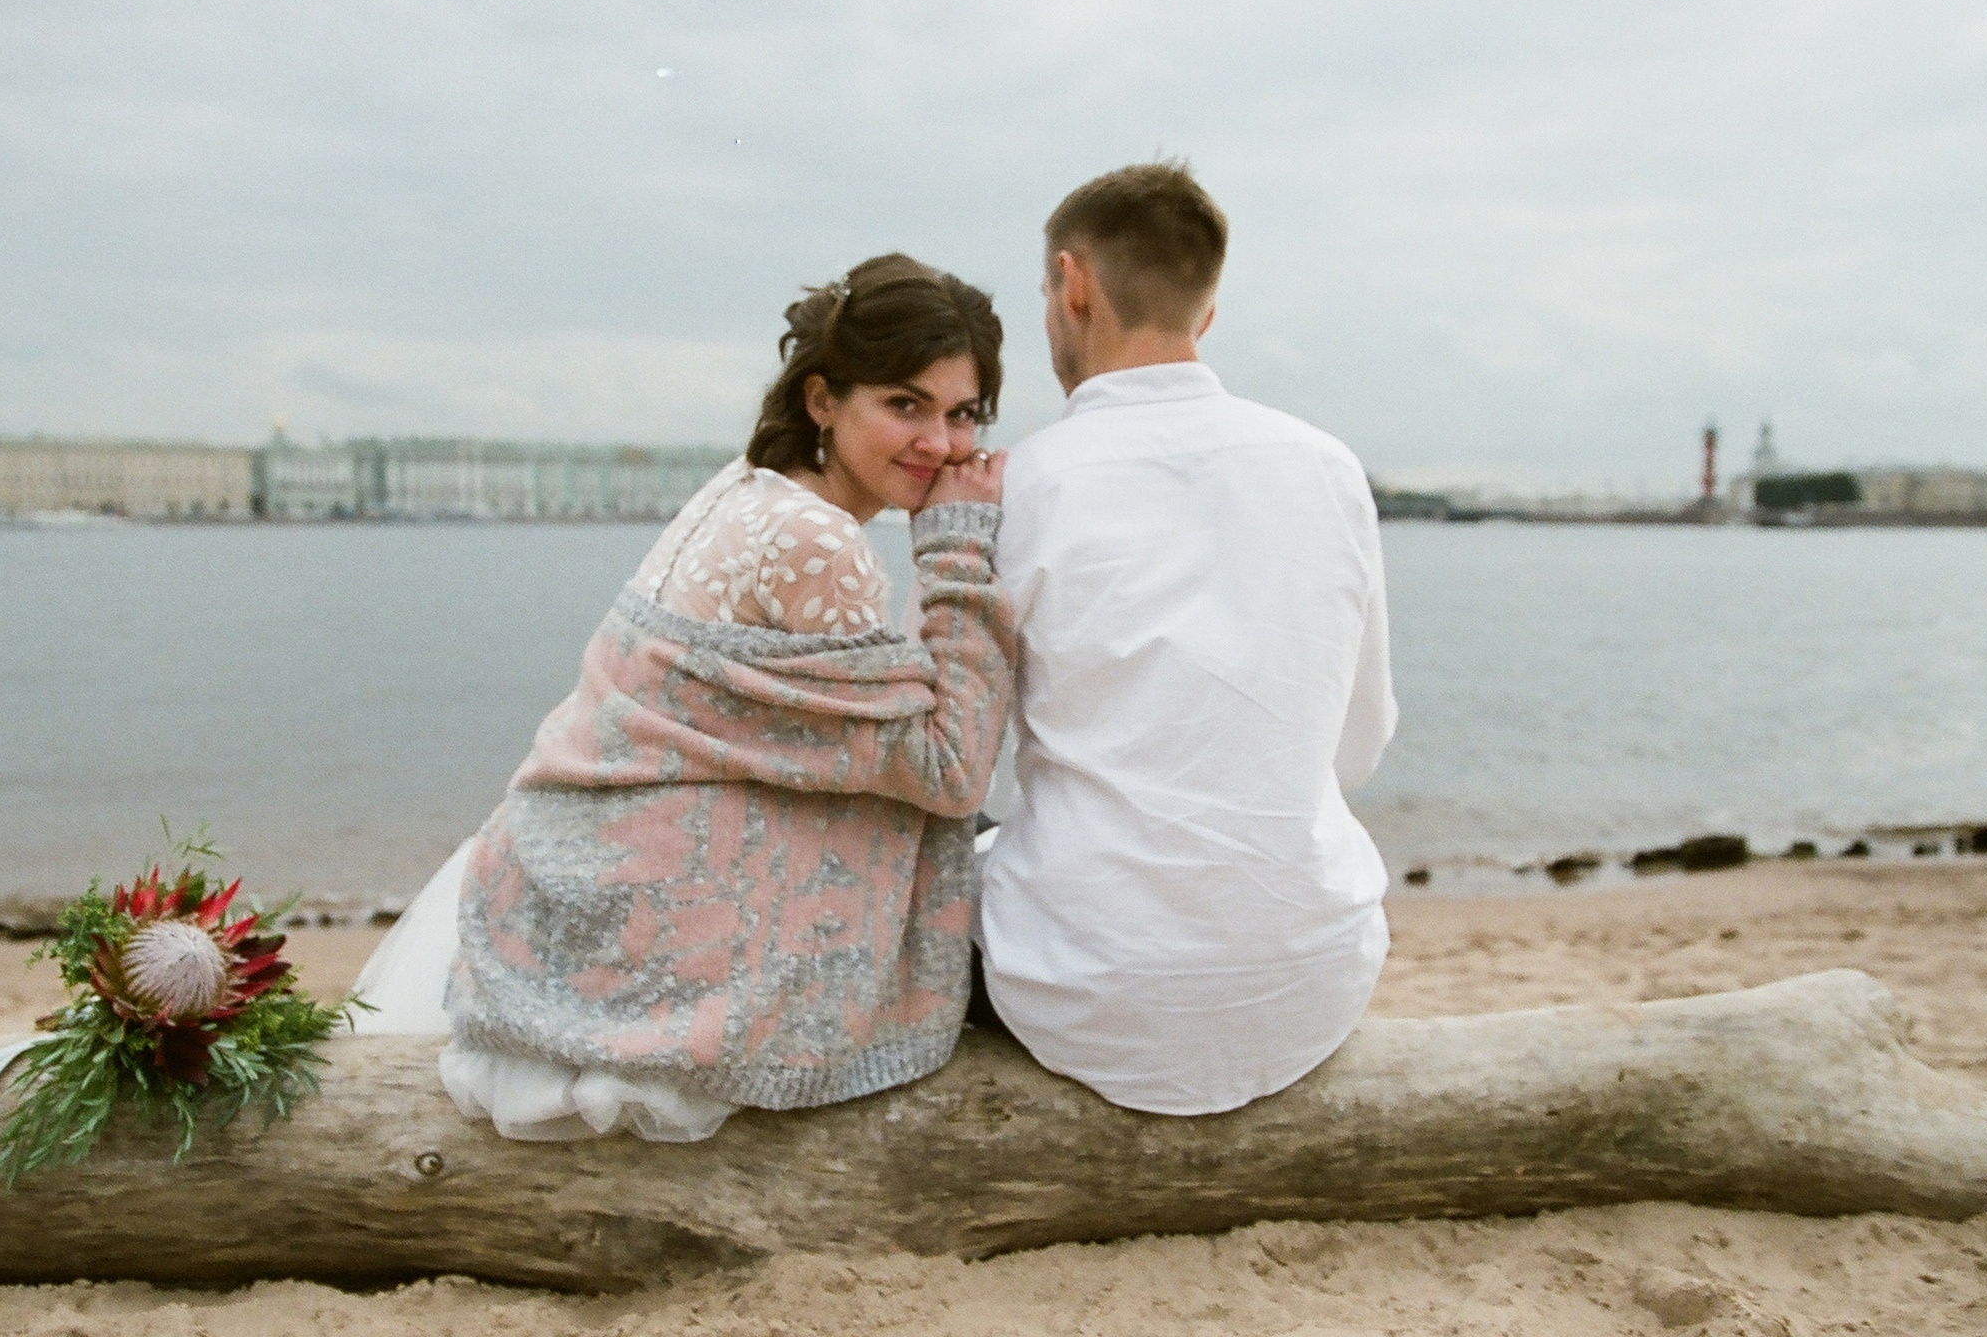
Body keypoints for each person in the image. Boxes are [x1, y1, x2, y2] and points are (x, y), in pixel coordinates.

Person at [349, 253, 1014, 1142]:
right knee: (979, 838)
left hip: (566, 866)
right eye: (905, 404)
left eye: (962, 414)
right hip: (649, 926)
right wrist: (958, 553)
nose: (939, 443)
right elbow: (949, 765)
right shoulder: (819, 540)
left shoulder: (743, 488)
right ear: (824, 400)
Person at [975, 162, 1397, 1115]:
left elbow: (965, 762)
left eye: (1049, 293)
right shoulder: (1328, 468)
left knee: (967, 838)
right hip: (1312, 983)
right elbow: (1358, 749)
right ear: (1205, 316)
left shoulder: (1024, 484)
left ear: (1072, 285)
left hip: (1086, 998)